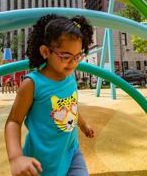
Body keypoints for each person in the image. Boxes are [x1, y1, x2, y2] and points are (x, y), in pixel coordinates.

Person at [5, 15, 95, 176]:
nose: (73, 63)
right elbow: (14, 121)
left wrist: (83, 125)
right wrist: (16, 157)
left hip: (71, 153)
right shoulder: (32, 84)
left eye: (78, 56)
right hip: (40, 164)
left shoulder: (70, 77)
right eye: (66, 57)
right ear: (46, 52)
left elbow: (71, 107)